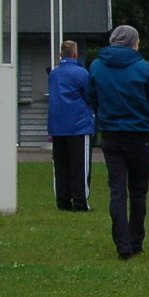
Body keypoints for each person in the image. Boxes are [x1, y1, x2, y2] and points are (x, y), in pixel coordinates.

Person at [87, 25, 149, 260]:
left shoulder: (97, 66)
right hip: (138, 134)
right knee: (138, 191)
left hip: (111, 133)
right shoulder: (142, 67)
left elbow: (92, 96)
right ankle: (136, 240)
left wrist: (103, 117)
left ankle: (122, 244)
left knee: (117, 191)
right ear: (134, 43)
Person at [48, 40, 95, 211]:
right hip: (78, 124)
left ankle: (63, 201)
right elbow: (90, 96)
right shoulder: (81, 73)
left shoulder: (54, 73)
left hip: (57, 125)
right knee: (80, 166)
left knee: (61, 165)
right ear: (75, 54)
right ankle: (80, 201)